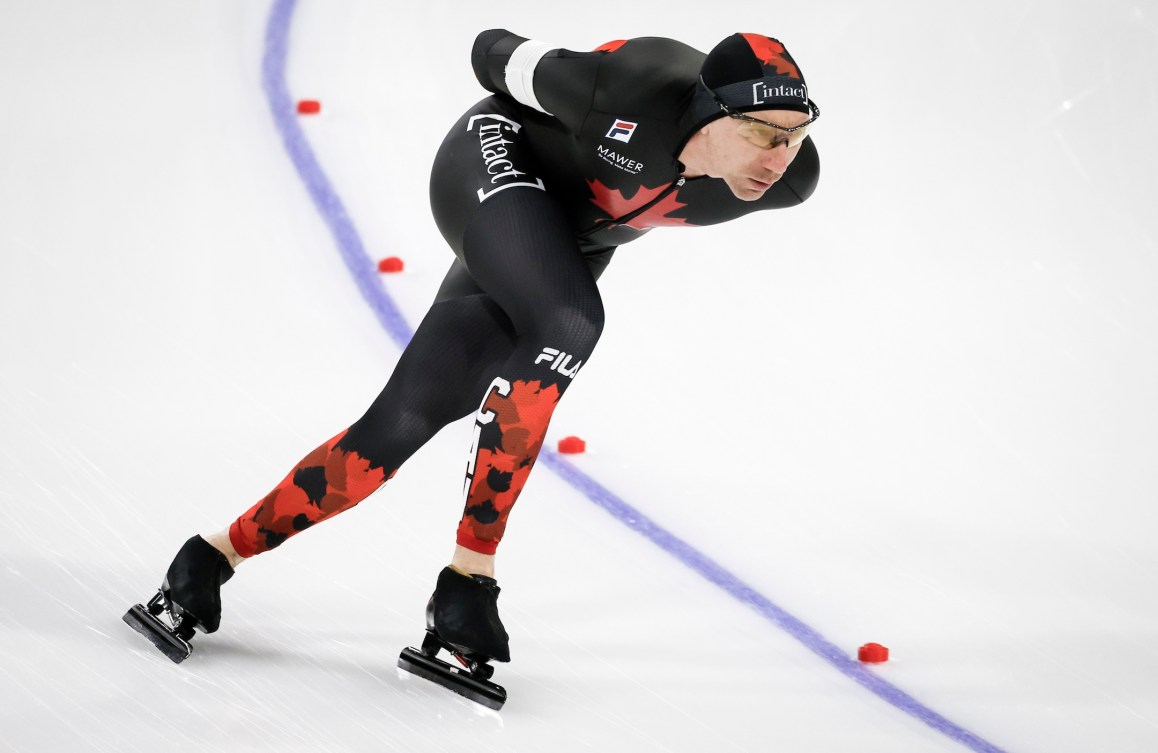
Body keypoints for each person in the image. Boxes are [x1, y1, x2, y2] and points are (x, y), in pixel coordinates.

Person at [125, 28, 820, 704]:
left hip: (565, 239)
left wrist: (773, 141)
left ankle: (209, 557)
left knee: (400, 423)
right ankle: (470, 577)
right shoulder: (624, 90)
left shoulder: (792, 180)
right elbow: (491, 49)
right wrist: (540, 83)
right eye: (765, 133)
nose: (782, 155)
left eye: (797, 133)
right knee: (570, 320)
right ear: (709, 112)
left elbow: (766, 156)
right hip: (491, 160)